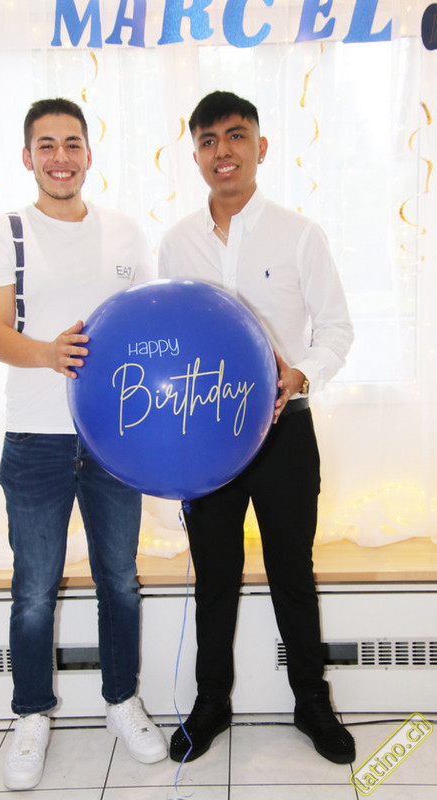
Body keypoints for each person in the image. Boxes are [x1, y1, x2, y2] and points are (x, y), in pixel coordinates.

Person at [0, 98, 167, 791]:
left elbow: (147, 330)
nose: (61, 157)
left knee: (120, 580)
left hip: (113, 439)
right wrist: (48, 354)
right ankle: (30, 716)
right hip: (35, 440)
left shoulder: (125, 234)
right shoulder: (4, 232)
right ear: (28, 157)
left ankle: (122, 702)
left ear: (89, 153)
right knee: (33, 589)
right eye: (47, 145)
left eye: (72, 143)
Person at [158, 91, 355, 765]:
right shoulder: (176, 242)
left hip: (283, 433)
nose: (223, 151)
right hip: (207, 440)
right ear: (195, 156)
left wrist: (300, 373)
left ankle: (312, 703)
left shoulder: (299, 234)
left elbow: (336, 329)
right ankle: (210, 703)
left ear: (260, 147)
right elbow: (174, 338)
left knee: (291, 573)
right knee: (214, 577)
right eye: (208, 140)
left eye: (236, 135)